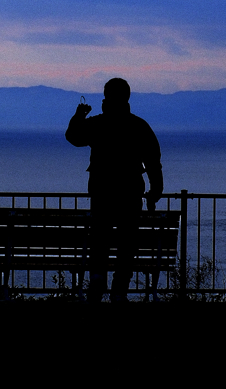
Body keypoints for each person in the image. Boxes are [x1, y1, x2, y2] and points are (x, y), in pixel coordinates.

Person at [66, 77, 163, 301]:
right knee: (127, 243)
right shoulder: (139, 126)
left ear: (106, 97)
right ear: (127, 97)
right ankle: (120, 289)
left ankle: (98, 282)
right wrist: (155, 190)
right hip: (130, 193)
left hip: (102, 192)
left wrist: (79, 115)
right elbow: (153, 161)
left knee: (100, 240)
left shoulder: (97, 124)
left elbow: (73, 136)